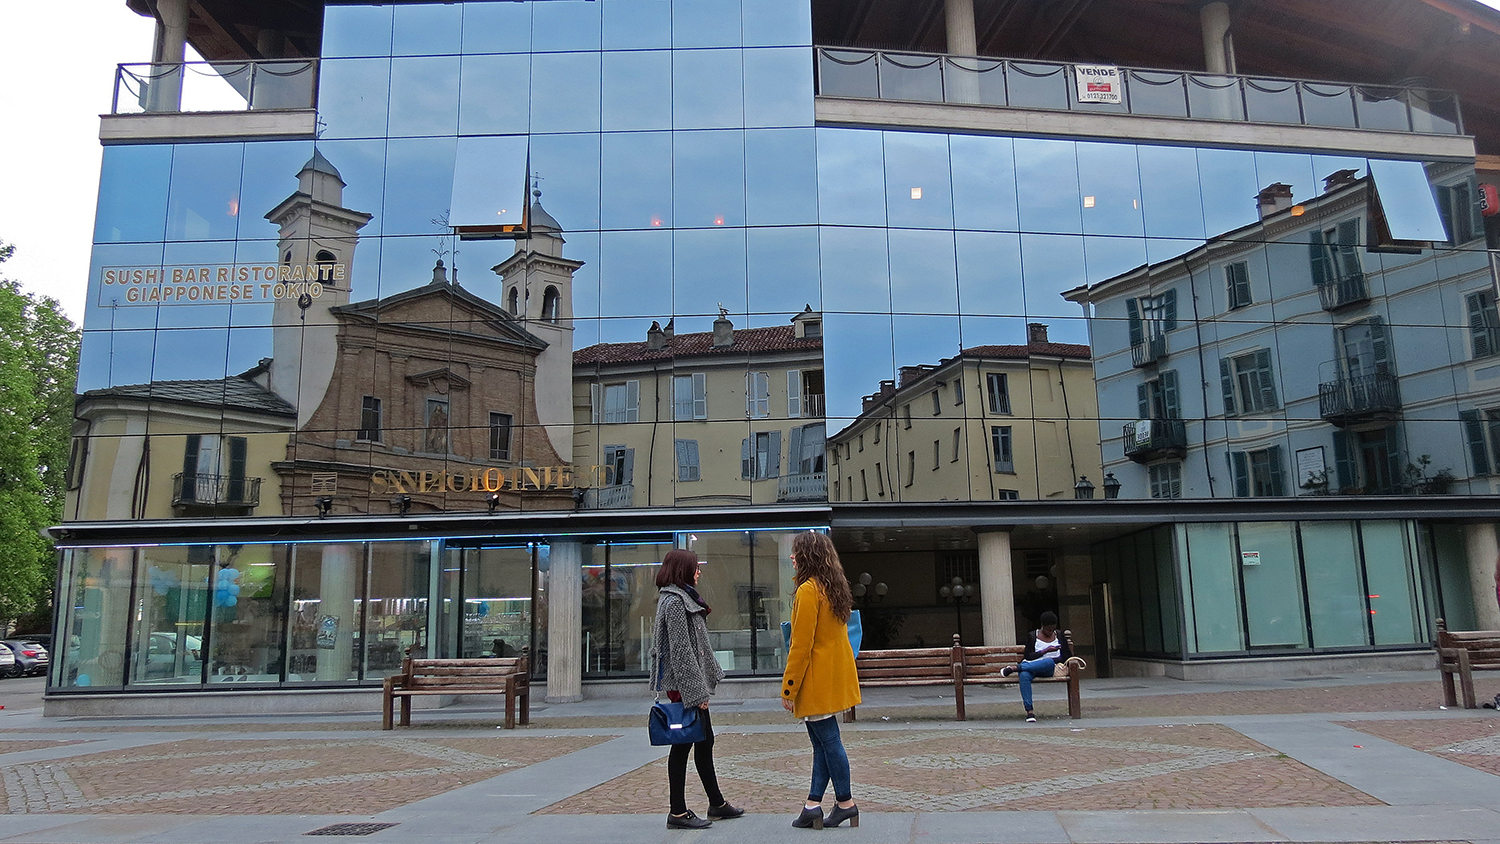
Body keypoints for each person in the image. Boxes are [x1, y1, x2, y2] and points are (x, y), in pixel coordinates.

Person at [650, 549, 743, 830]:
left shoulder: (681, 597)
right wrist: (697, 693)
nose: (699, 571)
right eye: (695, 567)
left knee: (704, 741)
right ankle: (677, 812)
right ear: (683, 570)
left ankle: (716, 803)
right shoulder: (675, 601)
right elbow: (681, 652)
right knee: (683, 746)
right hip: (684, 686)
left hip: (688, 684)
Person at [780, 532, 862, 830]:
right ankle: (812, 805)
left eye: (796, 552)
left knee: (828, 741)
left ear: (808, 556)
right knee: (823, 744)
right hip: (833, 676)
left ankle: (846, 803)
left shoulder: (808, 590)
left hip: (815, 679)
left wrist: (789, 687)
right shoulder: (833, 587)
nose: (792, 557)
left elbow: (800, 646)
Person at [1002, 610, 1073, 722]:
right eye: (1048, 629)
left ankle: (1016, 668)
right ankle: (1029, 712)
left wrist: (1051, 659)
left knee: (1048, 662)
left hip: (1050, 668)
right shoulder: (1032, 636)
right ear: (1042, 626)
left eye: (1053, 629)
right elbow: (1028, 656)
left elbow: (1067, 657)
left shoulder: (1059, 636)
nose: (1050, 632)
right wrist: (1044, 651)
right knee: (1024, 675)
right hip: (1032, 667)